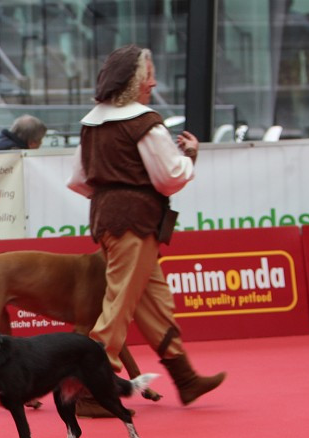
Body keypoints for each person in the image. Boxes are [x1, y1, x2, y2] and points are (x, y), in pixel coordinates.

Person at [66, 44, 225, 414]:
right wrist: (190, 157)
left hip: (107, 220)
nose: (153, 83)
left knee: (154, 303)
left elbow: (77, 180)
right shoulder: (145, 122)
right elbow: (170, 178)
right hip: (137, 224)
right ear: (136, 80)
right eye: (148, 75)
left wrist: (110, 193)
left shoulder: (91, 124)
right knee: (119, 306)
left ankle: (185, 377)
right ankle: (90, 389)